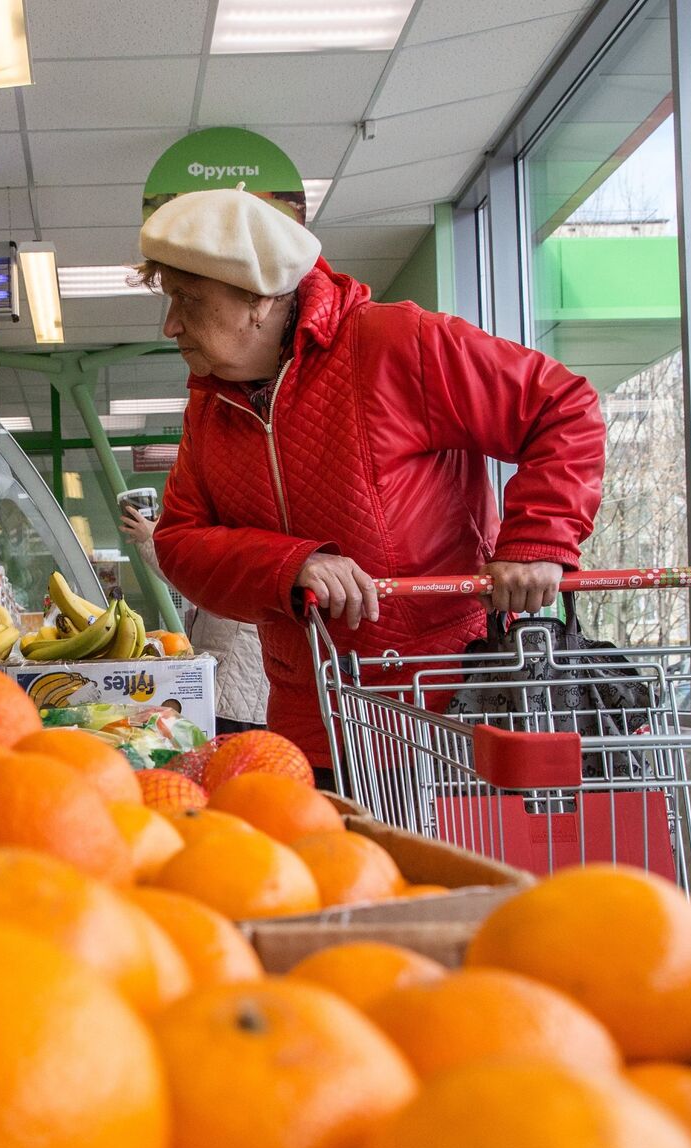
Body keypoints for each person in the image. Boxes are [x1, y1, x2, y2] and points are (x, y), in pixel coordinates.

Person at [142, 185, 605, 774]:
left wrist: (537, 542)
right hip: (314, 723)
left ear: (256, 297)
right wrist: (290, 565)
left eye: (186, 297)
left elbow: (560, 406)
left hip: (450, 712)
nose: (170, 324)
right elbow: (179, 542)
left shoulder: (397, 344)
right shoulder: (211, 409)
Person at [121, 504, 269, 734]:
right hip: (241, 691)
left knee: (228, 760)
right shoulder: (252, 550)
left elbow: (191, 578)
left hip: (233, 693)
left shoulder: (242, 556)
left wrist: (153, 539)